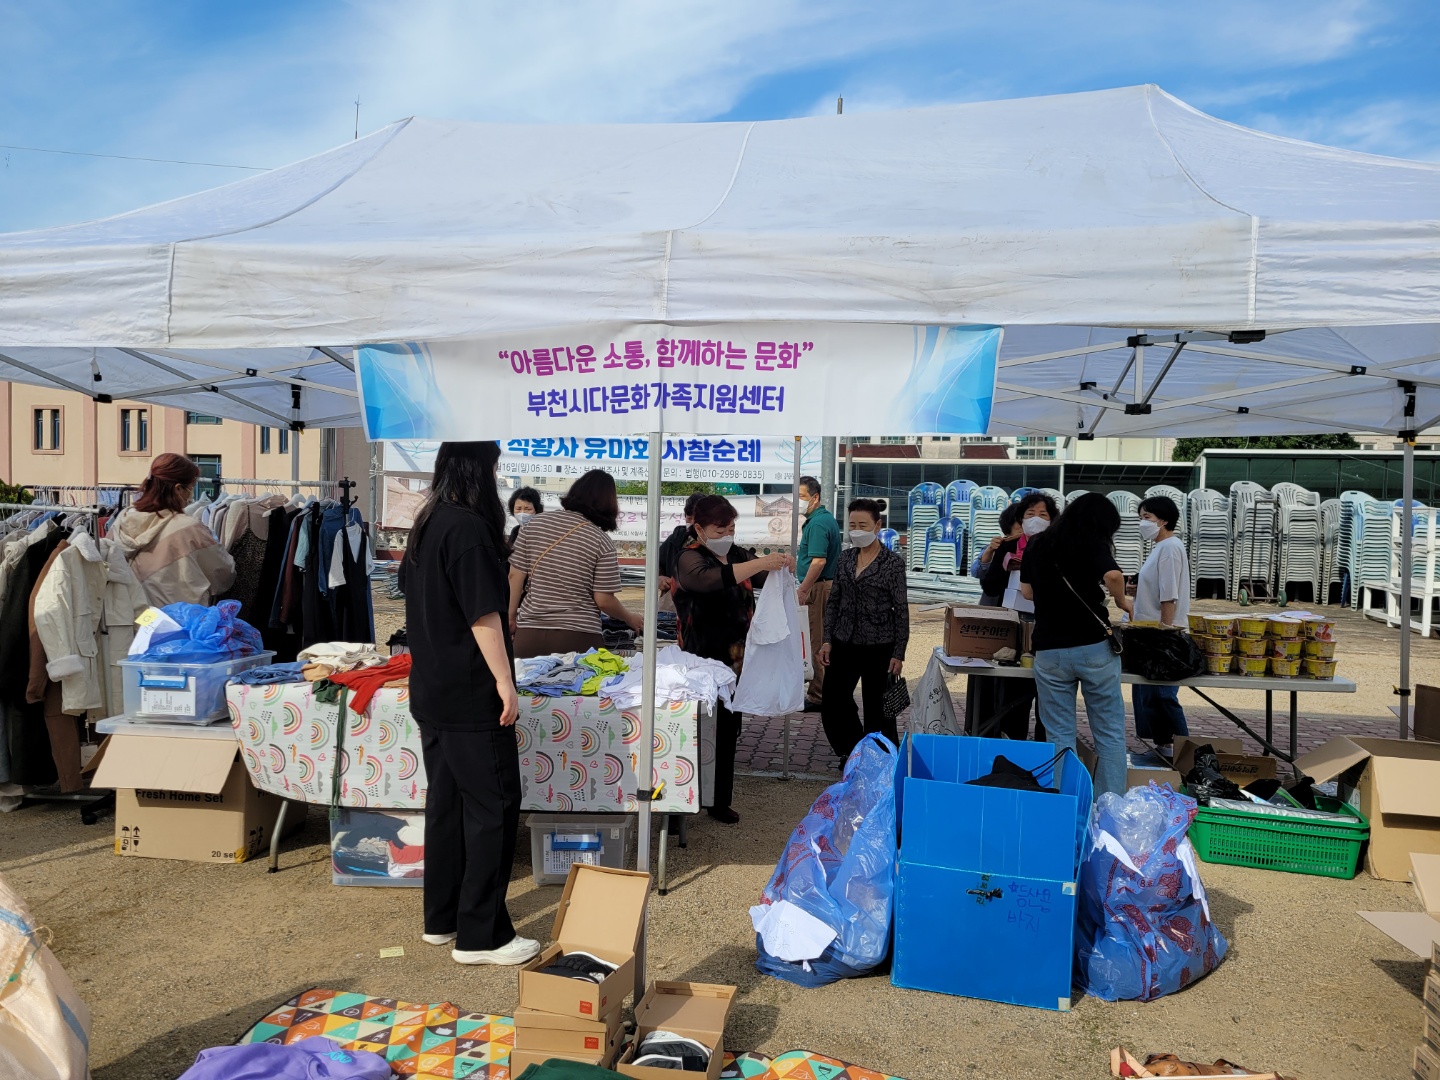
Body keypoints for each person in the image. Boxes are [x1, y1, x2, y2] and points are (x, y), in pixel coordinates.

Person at [397, 441, 537, 967]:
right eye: (495, 467)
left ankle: (443, 917)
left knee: (449, 803)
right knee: (494, 807)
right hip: (470, 693)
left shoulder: (429, 521)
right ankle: (482, 935)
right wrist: (505, 681)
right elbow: (485, 616)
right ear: (482, 470)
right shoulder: (469, 529)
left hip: (432, 686)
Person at [673, 495, 793, 824]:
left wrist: (780, 566)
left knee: (727, 731)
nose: (727, 534)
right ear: (699, 528)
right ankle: (676, 803)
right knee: (690, 733)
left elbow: (761, 577)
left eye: (731, 527)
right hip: (698, 661)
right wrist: (760, 564)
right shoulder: (688, 558)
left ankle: (718, 799)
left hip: (735, 661)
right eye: (720, 528)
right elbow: (710, 580)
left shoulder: (738, 554)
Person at [1019, 492, 1133, 798]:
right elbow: (1112, 574)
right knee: (1108, 733)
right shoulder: (1092, 541)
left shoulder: (1038, 544)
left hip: (1050, 650)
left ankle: (1066, 803)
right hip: (1093, 646)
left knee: (1059, 735)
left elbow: (1026, 592)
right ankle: (1108, 806)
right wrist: (1122, 600)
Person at [508, 470, 642, 657]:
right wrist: (630, 618)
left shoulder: (532, 525)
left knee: (525, 686)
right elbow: (604, 600)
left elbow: (515, 576)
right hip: (581, 638)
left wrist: (511, 617)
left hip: (530, 634)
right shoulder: (601, 541)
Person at [818, 499, 909, 761]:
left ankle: (881, 759)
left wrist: (898, 652)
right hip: (843, 640)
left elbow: (901, 609)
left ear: (878, 526)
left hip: (879, 644)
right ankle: (851, 751)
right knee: (834, 702)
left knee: (878, 710)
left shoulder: (893, 563)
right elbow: (834, 601)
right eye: (852, 525)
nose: (856, 530)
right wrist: (827, 640)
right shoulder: (845, 558)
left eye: (863, 525)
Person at [976, 491, 1059, 740]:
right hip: (1014, 629)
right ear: (1021, 520)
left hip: (1050, 630)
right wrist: (1006, 565)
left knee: (1050, 697)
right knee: (1014, 694)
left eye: (1042, 514)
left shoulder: (1059, 547)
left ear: (1052, 519)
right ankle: (1014, 747)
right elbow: (990, 587)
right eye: (1029, 514)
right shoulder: (1009, 546)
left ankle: (1047, 750)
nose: (1035, 519)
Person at [116, 452, 236, 607]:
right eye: (191, 488)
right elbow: (223, 574)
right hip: (177, 623)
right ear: (179, 489)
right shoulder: (189, 528)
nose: (191, 495)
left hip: (128, 619)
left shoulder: (121, 520)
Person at [1131, 495, 1192, 749]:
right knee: (1149, 691)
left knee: (1162, 694)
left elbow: (1169, 595)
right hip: (1149, 631)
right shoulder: (1160, 548)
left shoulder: (1169, 547)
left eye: (1147, 518)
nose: (1142, 523)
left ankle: (1180, 749)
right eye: (1141, 518)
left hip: (1161, 633)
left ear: (1164, 520)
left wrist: (1166, 635)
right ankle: (1163, 745)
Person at [795, 476, 841, 711]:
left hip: (818, 587)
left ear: (815, 497)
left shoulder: (818, 524)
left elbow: (819, 561)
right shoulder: (822, 519)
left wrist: (803, 588)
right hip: (822, 585)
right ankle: (822, 692)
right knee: (821, 639)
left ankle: (818, 696)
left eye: (801, 497)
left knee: (817, 641)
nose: (798, 501)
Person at [972, 503, 1022, 606]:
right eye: (1018, 521)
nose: (1024, 525)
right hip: (997, 608)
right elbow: (976, 572)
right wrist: (990, 550)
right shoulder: (998, 546)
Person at [658, 492, 704, 595]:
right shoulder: (674, 540)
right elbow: (655, 563)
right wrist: (660, 578)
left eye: (697, 519)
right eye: (689, 518)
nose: (693, 523)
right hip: (673, 606)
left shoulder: (717, 543)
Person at [506, 486, 543, 551]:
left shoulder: (541, 532)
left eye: (527, 509)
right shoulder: (515, 531)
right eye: (518, 509)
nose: (522, 513)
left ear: (536, 510)